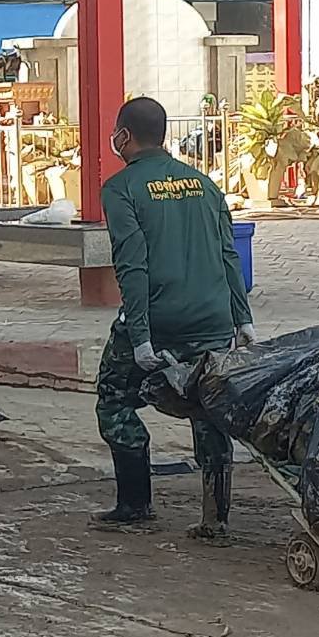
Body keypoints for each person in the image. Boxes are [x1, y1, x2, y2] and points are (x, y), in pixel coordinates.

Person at [93, 96, 255, 538]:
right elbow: (229, 254)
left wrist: (140, 336)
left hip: (159, 321)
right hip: (214, 322)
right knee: (208, 409)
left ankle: (134, 504)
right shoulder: (204, 184)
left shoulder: (121, 189)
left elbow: (132, 265)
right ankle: (215, 518)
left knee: (114, 398)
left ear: (124, 136)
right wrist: (243, 320)